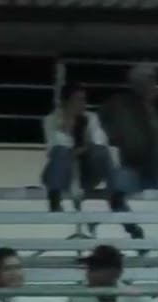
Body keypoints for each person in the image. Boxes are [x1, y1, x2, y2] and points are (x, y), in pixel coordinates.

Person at [41, 83, 142, 240]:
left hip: (87, 174)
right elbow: (55, 147)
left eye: (83, 100)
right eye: (78, 99)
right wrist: (69, 128)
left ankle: (118, 200)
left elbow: (100, 142)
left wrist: (82, 144)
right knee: (60, 153)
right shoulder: (51, 120)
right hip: (61, 177)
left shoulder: (91, 118)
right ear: (66, 102)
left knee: (101, 152)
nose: (82, 104)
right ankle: (54, 200)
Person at [100, 64, 158, 209]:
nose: (149, 86)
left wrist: (151, 113)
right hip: (135, 168)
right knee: (122, 176)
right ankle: (119, 204)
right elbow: (104, 118)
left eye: (151, 81)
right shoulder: (124, 105)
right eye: (143, 82)